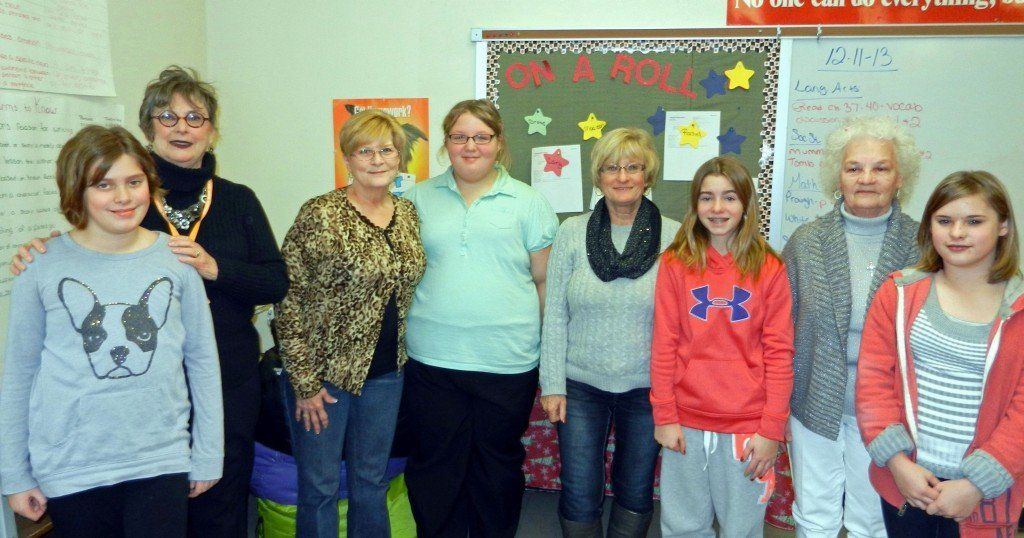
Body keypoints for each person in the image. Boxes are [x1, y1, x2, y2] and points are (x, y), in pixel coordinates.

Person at [9, 66, 288, 537]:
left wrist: (214, 267)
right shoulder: (77, 243)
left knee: (217, 511)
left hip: (204, 396)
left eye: (195, 117)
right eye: (167, 116)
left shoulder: (233, 205)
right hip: (91, 444)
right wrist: (43, 250)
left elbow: (273, 282)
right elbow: (22, 368)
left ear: (212, 130)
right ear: (148, 129)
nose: (182, 126)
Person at [0, 125, 223, 537]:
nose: (123, 197)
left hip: (160, 461)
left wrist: (209, 453)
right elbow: (19, 374)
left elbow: (203, 362)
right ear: (76, 191)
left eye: (134, 182)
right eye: (103, 184)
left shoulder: (176, 263)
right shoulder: (40, 267)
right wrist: (15, 473)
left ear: (150, 186)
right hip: (72, 466)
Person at [401, 99, 559, 537]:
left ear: (498, 143)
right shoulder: (415, 199)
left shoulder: (529, 202)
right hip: (433, 359)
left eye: (481, 137)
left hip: (506, 360)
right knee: (436, 466)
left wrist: (547, 355)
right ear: (446, 143)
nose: (470, 146)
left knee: (497, 466)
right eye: (459, 137)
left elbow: (544, 282)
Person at [275, 109, 426, 537]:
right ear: (348, 158)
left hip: (385, 375)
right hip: (323, 379)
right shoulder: (320, 214)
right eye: (365, 151)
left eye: (386, 150)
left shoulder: (409, 215)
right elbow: (290, 298)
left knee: (370, 483)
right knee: (320, 486)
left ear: (400, 158)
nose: (377, 159)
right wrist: (304, 383)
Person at [856, 171, 1024, 538]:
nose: (957, 233)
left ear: (1003, 227)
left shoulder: (1020, 307)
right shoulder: (899, 293)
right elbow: (873, 382)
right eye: (944, 221)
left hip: (984, 493)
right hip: (907, 482)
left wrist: (977, 483)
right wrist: (898, 463)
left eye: (974, 221)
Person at [782, 115, 922, 537]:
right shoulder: (805, 242)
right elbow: (780, 328)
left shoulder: (924, 245)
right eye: (854, 168)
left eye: (881, 168)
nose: (867, 178)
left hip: (889, 412)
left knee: (872, 520)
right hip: (813, 404)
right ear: (837, 178)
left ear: (900, 179)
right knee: (815, 515)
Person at [538, 127, 679, 538]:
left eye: (633, 167)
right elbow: (555, 316)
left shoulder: (674, 237)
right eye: (612, 168)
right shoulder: (570, 233)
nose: (622, 177)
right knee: (580, 489)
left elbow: (682, 322)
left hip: (648, 388)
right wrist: (552, 385)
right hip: (579, 385)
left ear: (647, 175)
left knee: (635, 489)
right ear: (598, 177)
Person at [650, 155, 794, 537]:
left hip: (747, 428)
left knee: (741, 529)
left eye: (729, 197)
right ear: (695, 205)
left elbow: (780, 354)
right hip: (686, 421)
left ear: (745, 204)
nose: (717, 208)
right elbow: (664, 343)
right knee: (683, 526)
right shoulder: (675, 264)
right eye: (707, 198)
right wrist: (664, 416)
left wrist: (771, 430)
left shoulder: (769, 268)